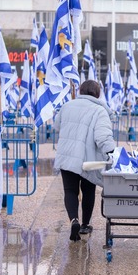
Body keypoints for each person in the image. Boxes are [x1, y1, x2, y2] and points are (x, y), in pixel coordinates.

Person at [54, 80, 116, 242]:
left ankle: (74, 220)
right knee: (88, 190)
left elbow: (57, 125)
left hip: (67, 155)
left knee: (70, 190)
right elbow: (103, 136)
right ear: (98, 94)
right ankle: (85, 224)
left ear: (80, 91)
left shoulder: (67, 106)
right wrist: (112, 153)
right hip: (88, 159)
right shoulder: (99, 110)